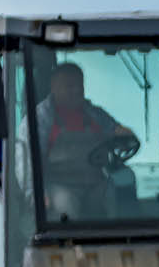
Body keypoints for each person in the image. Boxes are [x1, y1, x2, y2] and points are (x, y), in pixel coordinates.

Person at [35, 63, 134, 221]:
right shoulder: (40, 120)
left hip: (94, 181)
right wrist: (37, 192)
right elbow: (27, 162)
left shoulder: (95, 114)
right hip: (60, 184)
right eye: (69, 86)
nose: (76, 90)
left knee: (117, 189)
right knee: (66, 205)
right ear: (54, 88)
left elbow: (117, 131)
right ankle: (66, 245)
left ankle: (119, 240)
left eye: (79, 85)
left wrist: (124, 135)